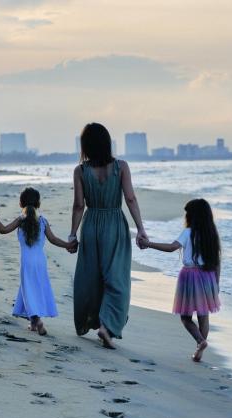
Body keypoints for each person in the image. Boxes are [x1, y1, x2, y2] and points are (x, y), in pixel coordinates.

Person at [68, 123, 148, 349]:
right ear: (107, 142)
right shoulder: (121, 167)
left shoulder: (80, 171)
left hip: (91, 224)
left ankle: (97, 322)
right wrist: (140, 228)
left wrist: (73, 234)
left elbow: (78, 206)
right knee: (117, 279)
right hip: (114, 223)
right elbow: (130, 199)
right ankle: (107, 326)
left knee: (92, 277)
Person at [140, 199, 221, 362]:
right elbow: (217, 261)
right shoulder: (211, 234)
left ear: (193, 215)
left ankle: (200, 341)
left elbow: (171, 248)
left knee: (185, 317)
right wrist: (216, 284)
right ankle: (200, 351)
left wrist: (148, 244)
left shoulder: (188, 232)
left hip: (190, 276)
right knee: (203, 316)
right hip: (208, 276)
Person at [0, 187, 74, 335]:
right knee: (33, 288)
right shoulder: (43, 221)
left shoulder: (20, 220)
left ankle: (37, 321)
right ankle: (33, 324)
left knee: (29, 289)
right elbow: (53, 239)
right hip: (40, 261)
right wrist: (67, 245)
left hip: (27, 262)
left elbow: (3, 229)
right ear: (38, 203)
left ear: (21, 203)